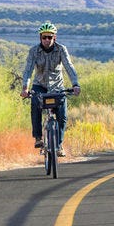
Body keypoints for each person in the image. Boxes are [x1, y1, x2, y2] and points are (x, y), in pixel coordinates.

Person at [19, 22, 80, 156]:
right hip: (39, 85)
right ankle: (38, 138)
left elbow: (69, 67)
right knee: (35, 105)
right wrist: (25, 88)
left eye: (50, 37)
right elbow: (28, 70)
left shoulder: (61, 49)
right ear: (40, 38)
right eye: (44, 37)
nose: (47, 40)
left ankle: (58, 146)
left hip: (57, 86)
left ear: (54, 38)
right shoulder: (34, 51)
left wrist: (75, 84)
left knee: (62, 116)